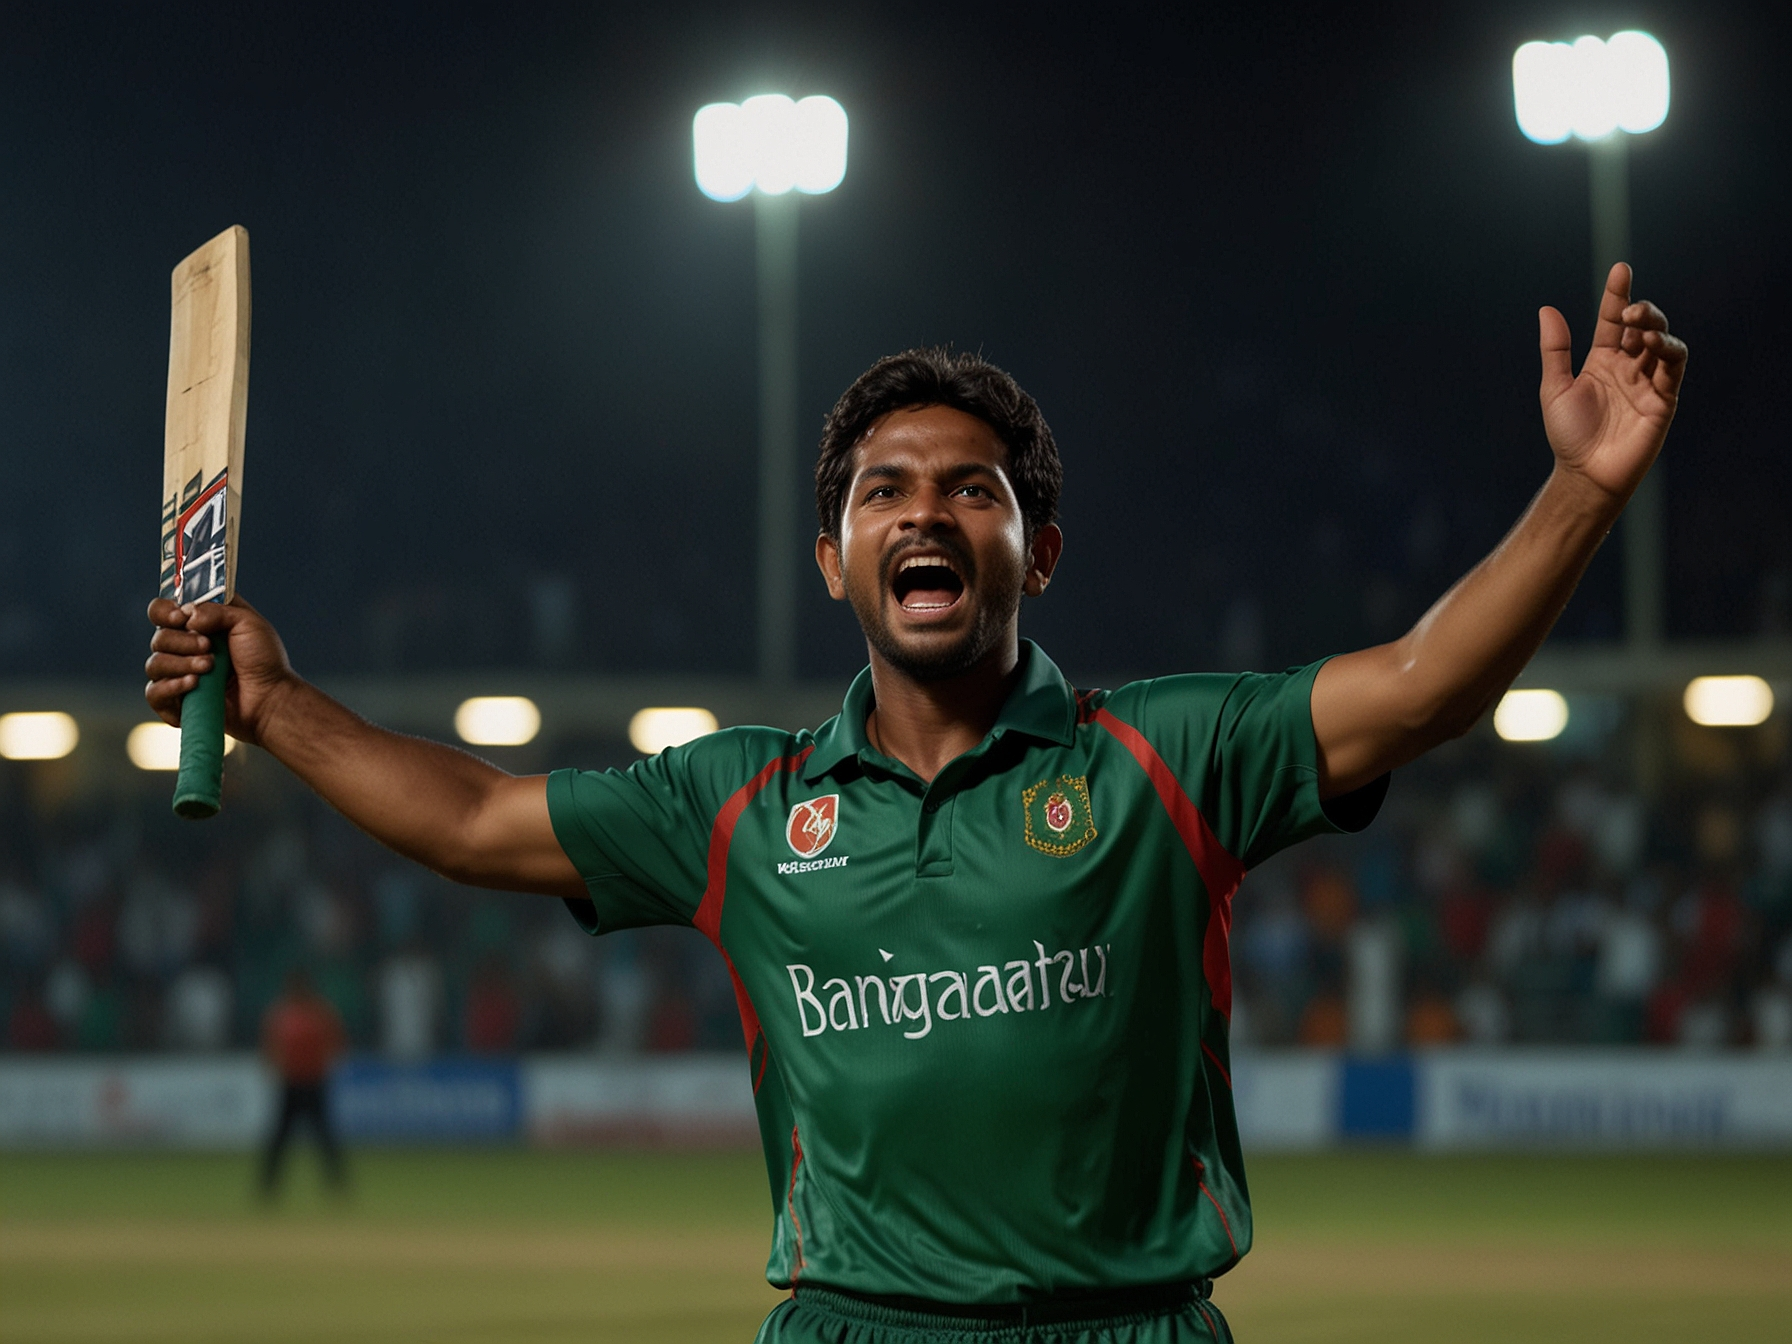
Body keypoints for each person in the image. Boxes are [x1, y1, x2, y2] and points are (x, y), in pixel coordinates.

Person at [147, 264, 1685, 1341]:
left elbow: (1422, 685)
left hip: (1129, 1333)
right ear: (833, 558)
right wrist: (276, 706)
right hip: (852, 1331)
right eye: (884, 489)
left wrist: (1586, 490)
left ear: (1042, 551)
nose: (927, 512)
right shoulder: (740, 800)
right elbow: (480, 821)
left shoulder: (1164, 758)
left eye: (972, 488)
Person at [258, 967, 349, 1199]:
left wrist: (326, 1067)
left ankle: (337, 1184)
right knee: (280, 1137)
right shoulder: (283, 1013)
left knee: (324, 1136)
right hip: (291, 1083)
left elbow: (336, 1045)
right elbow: (271, 1046)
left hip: (314, 1082)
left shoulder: (320, 1013)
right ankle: (269, 1186)